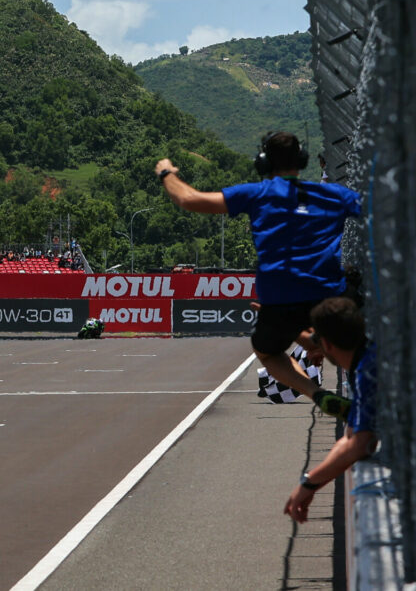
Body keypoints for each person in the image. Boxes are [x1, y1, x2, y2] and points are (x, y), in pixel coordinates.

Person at [155, 131, 361, 419]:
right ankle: (350, 370)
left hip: (279, 298)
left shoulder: (256, 194)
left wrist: (167, 172)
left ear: (263, 162)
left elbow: (189, 199)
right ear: (301, 160)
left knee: (267, 352)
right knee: (356, 342)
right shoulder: (332, 195)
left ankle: (317, 393)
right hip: (329, 293)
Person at [284, 297, 377, 523]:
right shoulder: (369, 357)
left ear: (325, 344)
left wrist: (309, 483)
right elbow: (351, 437)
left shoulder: (368, 370)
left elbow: (361, 443)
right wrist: (311, 483)